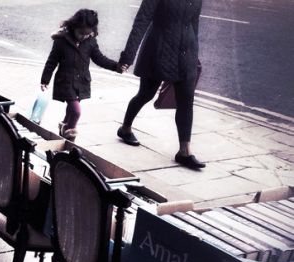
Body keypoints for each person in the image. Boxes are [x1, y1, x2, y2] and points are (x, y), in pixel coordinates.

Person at [117, 0, 205, 169]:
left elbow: (195, 23)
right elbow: (141, 21)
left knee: (186, 100)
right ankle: (125, 128)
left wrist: (195, 53)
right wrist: (128, 56)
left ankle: (184, 151)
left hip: (186, 53)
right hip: (159, 49)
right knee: (146, 94)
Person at [41, 9, 125, 141]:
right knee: (76, 111)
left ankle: (64, 126)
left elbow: (99, 59)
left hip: (81, 82)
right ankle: (70, 136)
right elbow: (52, 61)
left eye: (87, 34)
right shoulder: (61, 41)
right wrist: (45, 79)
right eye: (81, 33)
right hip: (66, 81)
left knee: (71, 108)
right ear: (74, 26)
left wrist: (116, 66)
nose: (83, 36)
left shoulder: (90, 42)